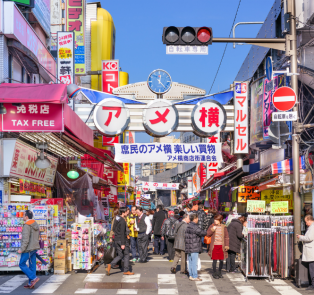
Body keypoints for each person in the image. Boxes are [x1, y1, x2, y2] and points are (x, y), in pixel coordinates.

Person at [106, 207, 134, 276]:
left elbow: (114, 229)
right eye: (126, 212)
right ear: (123, 212)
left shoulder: (116, 218)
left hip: (116, 239)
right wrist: (123, 243)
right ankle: (126, 270)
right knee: (127, 255)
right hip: (122, 239)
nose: (127, 213)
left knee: (120, 255)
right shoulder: (122, 221)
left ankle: (110, 265)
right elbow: (122, 232)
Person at [18, 210, 40, 289]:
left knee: (21, 264)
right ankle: (31, 283)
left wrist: (22, 249)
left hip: (28, 248)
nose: (22, 216)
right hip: (34, 247)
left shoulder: (27, 225)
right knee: (32, 265)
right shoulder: (35, 224)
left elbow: (25, 239)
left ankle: (33, 278)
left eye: (23, 215)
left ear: (26, 217)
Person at [185, 213, 207, 281]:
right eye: (197, 218)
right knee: (194, 262)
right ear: (195, 219)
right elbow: (203, 233)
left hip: (189, 246)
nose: (198, 219)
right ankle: (195, 276)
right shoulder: (195, 226)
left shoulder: (188, 226)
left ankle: (191, 275)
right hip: (194, 246)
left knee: (190, 262)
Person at [207, 214, 230, 279]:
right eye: (215, 219)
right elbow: (208, 234)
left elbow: (226, 237)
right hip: (214, 246)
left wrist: (226, 246)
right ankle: (214, 273)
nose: (215, 221)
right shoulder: (212, 226)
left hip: (221, 246)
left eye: (216, 219)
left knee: (221, 260)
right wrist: (212, 229)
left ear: (220, 220)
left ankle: (219, 272)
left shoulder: (224, 227)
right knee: (214, 260)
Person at [297, 215, 314, 290]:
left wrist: (301, 237)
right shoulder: (311, 227)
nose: (306, 223)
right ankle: (312, 284)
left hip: (311, 252)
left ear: (309, 220)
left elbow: (309, 238)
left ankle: (313, 284)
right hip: (310, 251)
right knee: (311, 268)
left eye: (306, 222)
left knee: (312, 269)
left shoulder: (312, 227)